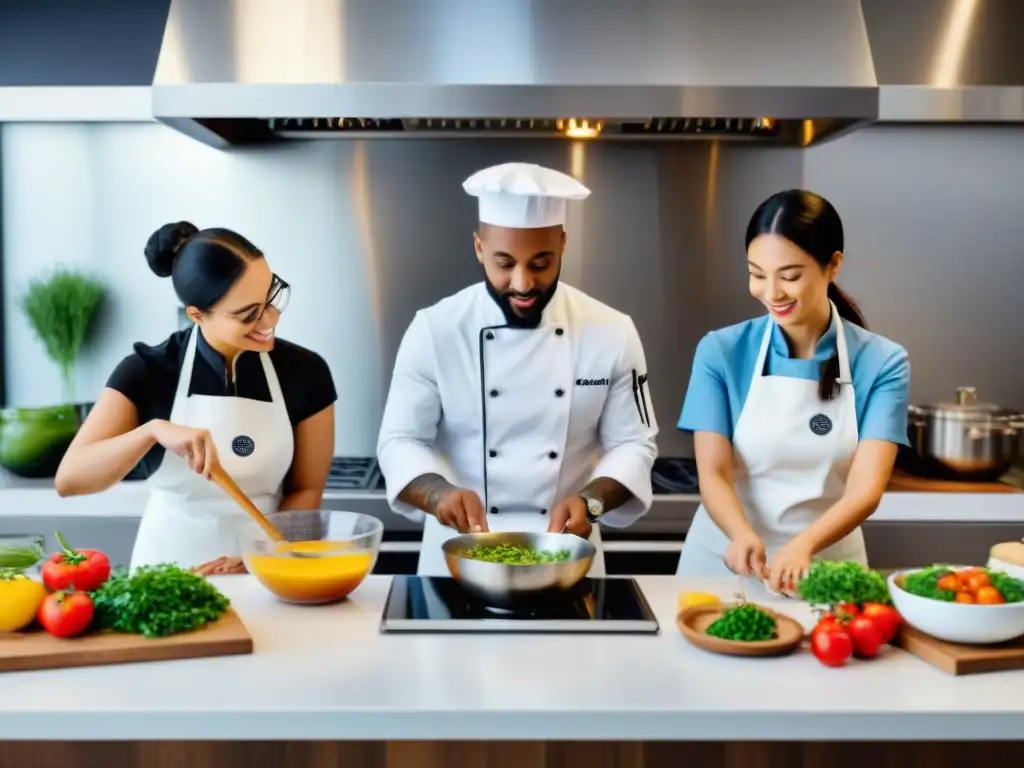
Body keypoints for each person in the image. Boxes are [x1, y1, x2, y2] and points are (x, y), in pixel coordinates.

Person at [376, 162, 659, 576]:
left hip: (568, 554)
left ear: (563, 244)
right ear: (478, 248)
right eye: (504, 263)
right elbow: (400, 439)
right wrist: (438, 494)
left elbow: (635, 444)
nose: (523, 283)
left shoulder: (613, 331)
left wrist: (591, 503)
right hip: (456, 555)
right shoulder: (434, 329)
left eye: (541, 263)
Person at [54, 222, 337, 575]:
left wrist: (263, 556)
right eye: (248, 314)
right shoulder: (147, 372)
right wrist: (152, 431)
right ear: (197, 315)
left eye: (272, 295)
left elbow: (307, 488)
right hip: (167, 574)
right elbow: (70, 479)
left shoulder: (305, 372)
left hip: (267, 574)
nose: (271, 318)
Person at [675, 189, 910, 594]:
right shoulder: (721, 351)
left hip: (826, 567)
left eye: (790, 276)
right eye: (756, 273)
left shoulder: (882, 361)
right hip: (725, 560)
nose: (771, 292)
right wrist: (741, 534)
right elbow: (713, 471)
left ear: (833, 265)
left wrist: (805, 545)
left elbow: (866, 488)